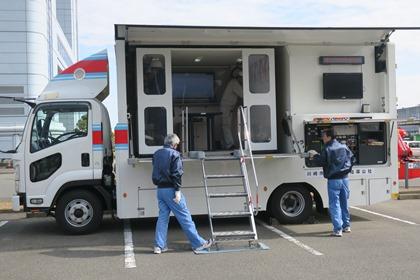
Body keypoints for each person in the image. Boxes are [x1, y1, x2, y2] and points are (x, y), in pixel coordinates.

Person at [152, 134, 212, 253]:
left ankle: (159, 246)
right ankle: (199, 243)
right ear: (173, 144)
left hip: (160, 190)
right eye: (177, 144)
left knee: (162, 218)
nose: (177, 146)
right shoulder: (175, 154)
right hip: (171, 191)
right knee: (185, 217)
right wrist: (177, 191)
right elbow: (177, 174)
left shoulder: (157, 153)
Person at [309, 128, 355, 237]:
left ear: (329, 137)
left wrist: (314, 155)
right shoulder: (344, 147)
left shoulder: (327, 148)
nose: (322, 137)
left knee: (334, 204)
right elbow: (352, 159)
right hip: (345, 178)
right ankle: (346, 226)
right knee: (344, 203)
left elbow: (321, 161)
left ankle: (337, 229)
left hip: (334, 179)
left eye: (324, 135)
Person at [220, 67, 243, 150]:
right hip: (226, 107)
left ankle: (228, 144)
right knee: (226, 126)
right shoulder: (234, 83)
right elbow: (243, 94)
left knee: (226, 126)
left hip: (228, 107)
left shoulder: (233, 82)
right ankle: (230, 145)